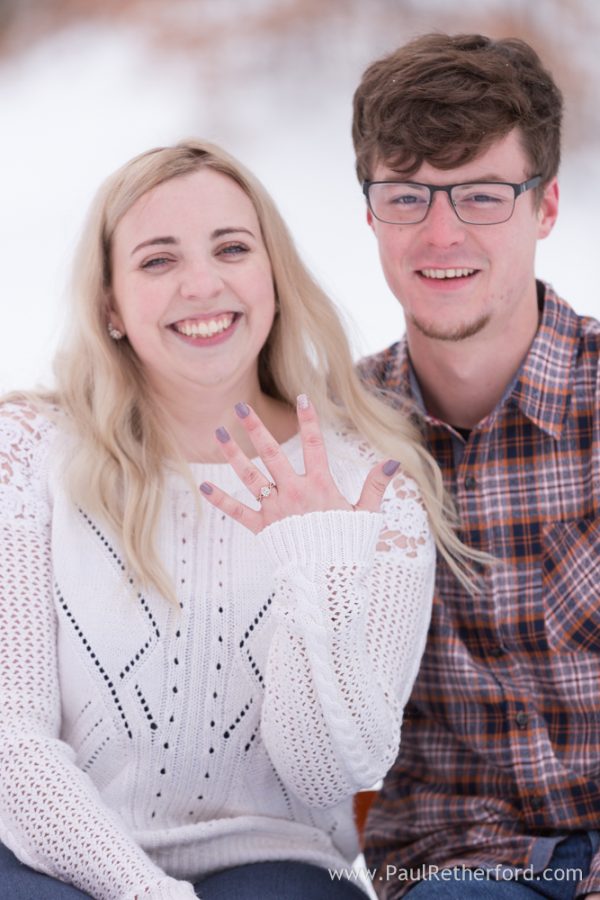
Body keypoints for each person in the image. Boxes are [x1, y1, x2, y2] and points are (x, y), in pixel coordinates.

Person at [0, 139, 473, 900]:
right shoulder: (26, 456)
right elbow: (9, 743)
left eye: (231, 248)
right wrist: (146, 893)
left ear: (273, 278)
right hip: (45, 855)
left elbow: (330, 773)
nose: (202, 283)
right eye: (157, 261)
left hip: (274, 867)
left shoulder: (371, 486)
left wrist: (312, 561)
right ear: (111, 306)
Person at [351, 32, 600, 900]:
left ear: (548, 206)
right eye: (408, 195)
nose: (442, 232)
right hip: (460, 868)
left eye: (484, 195)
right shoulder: (343, 436)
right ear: (370, 212)